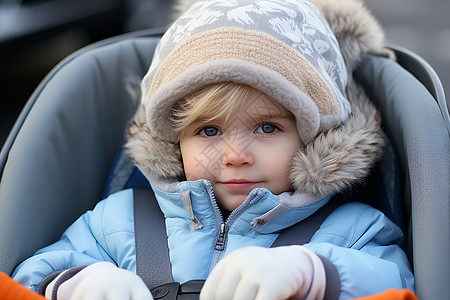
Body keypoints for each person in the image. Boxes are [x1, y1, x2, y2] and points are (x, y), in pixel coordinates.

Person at [12, 0, 415, 299]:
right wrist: (79, 282)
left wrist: (312, 274)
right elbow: (33, 273)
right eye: (208, 130)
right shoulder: (118, 221)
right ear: (174, 139)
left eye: (267, 126)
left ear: (312, 137)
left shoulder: (353, 231)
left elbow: (394, 279)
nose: (235, 154)